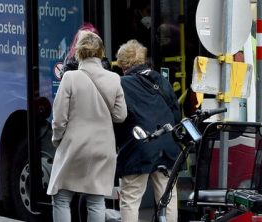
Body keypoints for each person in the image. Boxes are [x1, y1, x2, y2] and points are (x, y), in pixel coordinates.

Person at [47, 30, 127, 222]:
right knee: (96, 201)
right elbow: (120, 115)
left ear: (78, 52)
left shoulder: (70, 78)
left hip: (74, 146)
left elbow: (59, 118)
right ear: (101, 52)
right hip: (103, 148)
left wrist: (57, 139)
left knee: (61, 197)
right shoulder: (114, 79)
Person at [115, 39, 180, 222]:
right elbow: (176, 113)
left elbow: (118, 117)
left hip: (138, 147)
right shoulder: (160, 79)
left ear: (123, 64)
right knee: (167, 197)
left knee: (130, 198)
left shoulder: (121, 84)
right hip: (166, 145)